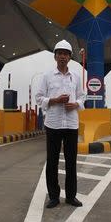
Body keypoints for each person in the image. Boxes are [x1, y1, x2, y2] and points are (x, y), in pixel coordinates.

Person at [35, 39, 86, 209]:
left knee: (71, 162)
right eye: (60, 53)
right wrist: (55, 100)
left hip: (71, 124)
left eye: (66, 54)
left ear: (70, 57)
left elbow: (82, 96)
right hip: (53, 124)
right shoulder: (47, 76)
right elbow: (39, 98)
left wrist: (76, 104)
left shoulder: (76, 77)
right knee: (52, 161)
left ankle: (71, 197)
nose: (63, 56)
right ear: (55, 56)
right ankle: (54, 196)